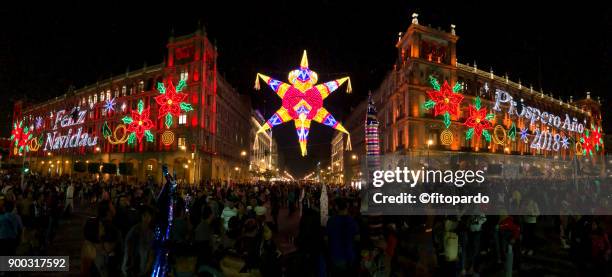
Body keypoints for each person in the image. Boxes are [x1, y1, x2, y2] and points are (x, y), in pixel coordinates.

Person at [326, 198, 359, 276]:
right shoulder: (352, 221)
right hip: (350, 256)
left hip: (336, 256)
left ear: (336, 207)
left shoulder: (331, 221)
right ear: (346, 207)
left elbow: (326, 239)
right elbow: (357, 238)